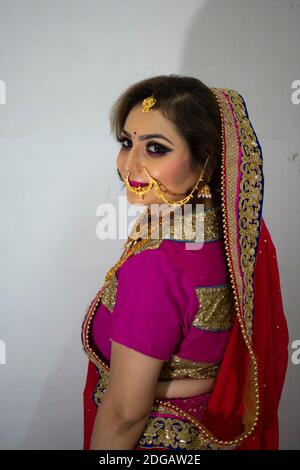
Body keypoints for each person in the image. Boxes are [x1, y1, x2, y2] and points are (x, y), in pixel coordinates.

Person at [81, 75, 289, 450]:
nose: (131, 164)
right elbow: (219, 361)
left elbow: (126, 414)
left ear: (205, 160)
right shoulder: (229, 238)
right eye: (127, 143)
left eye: (156, 148)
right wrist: (190, 383)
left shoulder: (156, 266)